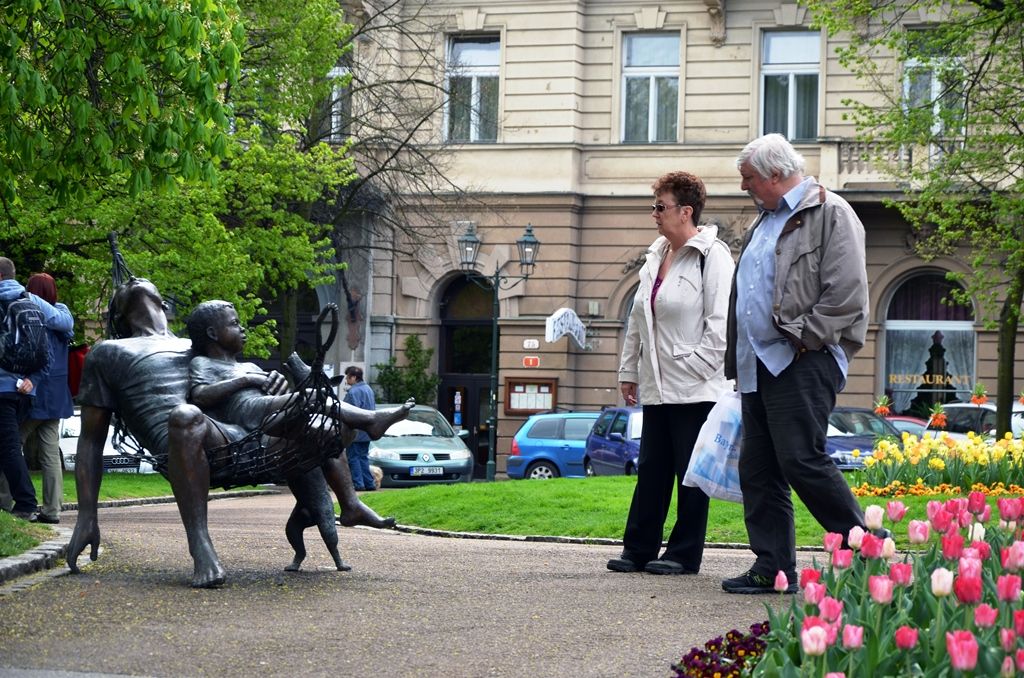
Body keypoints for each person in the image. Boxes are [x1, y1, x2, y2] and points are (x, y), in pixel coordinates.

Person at [67, 279, 411, 587]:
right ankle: (200, 546)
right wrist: (87, 516)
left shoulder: (195, 343)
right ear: (119, 312)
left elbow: (233, 388)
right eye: (126, 284)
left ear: (163, 304)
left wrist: (270, 385)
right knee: (186, 414)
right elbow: (91, 439)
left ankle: (350, 502)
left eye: (143, 282)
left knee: (321, 420)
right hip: (195, 441)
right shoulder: (108, 352)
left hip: (249, 434)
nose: (131, 279)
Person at [720, 133, 870, 595]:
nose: (744, 187)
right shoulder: (762, 221)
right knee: (758, 469)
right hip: (756, 363)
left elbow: (845, 294)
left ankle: (868, 549)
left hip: (802, 358)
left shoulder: (831, 213)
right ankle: (773, 567)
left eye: (748, 179)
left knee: (802, 459)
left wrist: (802, 340)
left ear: (775, 175)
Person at [606, 171, 735, 576]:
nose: (654, 214)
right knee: (652, 469)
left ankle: (683, 553)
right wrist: (630, 371)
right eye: (654, 206)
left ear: (686, 211)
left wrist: (692, 369)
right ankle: (638, 548)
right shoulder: (654, 256)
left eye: (660, 207)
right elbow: (637, 320)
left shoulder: (713, 256)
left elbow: (720, 328)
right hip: (657, 386)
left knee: (690, 474)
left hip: (697, 388)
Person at [0, 259, 73, 522]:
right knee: (50, 452)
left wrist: (25, 295)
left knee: (10, 445)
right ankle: (52, 510)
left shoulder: (26, 308)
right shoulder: (62, 316)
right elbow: (63, 325)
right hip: (55, 395)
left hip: (30, 391)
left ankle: (8, 502)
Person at [342, 365, 377, 491]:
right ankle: (369, 483)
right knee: (363, 457)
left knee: (354, 458)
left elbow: (347, 411)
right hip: (367, 431)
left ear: (354, 377)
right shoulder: (368, 389)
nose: (346, 380)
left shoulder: (353, 392)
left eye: (348, 377)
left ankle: (359, 484)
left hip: (355, 432)